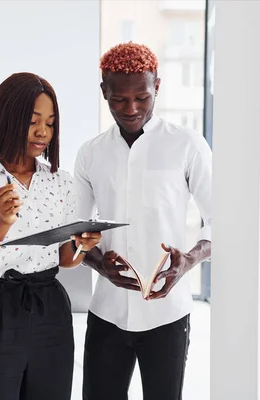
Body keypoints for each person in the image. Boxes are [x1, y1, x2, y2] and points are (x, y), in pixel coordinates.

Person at [0, 72, 102, 400]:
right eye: (33, 121)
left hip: (49, 309)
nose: (42, 132)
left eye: (49, 123)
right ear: (7, 118)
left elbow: (64, 259)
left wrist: (81, 245)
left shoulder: (60, 182)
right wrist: (0, 223)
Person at [75, 42, 213, 400]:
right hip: (107, 312)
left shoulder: (188, 145)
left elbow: (221, 221)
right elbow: (75, 229)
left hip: (168, 314)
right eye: (119, 99)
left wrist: (190, 260)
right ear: (103, 90)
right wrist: (96, 262)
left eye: (142, 96)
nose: (131, 108)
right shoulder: (90, 153)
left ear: (158, 87)